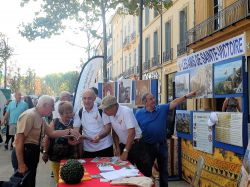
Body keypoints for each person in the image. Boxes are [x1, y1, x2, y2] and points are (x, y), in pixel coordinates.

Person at [11, 95, 81, 187]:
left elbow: (51, 133)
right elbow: (19, 140)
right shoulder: (29, 115)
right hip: (24, 153)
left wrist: (69, 131)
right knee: (23, 183)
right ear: (45, 105)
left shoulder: (40, 117)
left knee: (30, 181)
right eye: (52, 106)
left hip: (32, 152)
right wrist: (21, 163)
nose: (52, 109)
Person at [135, 91, 196, 187]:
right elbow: (135, 129)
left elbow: (175, 102)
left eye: (153, 98)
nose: (153, 100)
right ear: (145, 102)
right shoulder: (138, 114)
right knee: (146, 170)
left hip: (162, 145)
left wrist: (186, 96)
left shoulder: (161, 109)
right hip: (147, 146)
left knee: (163, 171)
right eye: (151, 99)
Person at [100, 95, 143, 166]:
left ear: (114, 106)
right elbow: (114, 131)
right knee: (124, 168)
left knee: (142, 171)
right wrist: (117, 148)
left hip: (136, 144)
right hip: (124, 144)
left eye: (106, 109)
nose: (104, 111)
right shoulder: (108, 114)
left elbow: (132, 133)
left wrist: (126, 151)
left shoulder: (126, 111)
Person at [42, 101, 79, 183]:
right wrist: (45, 152)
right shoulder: (55, 122)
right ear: (60, 113)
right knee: (58, 181)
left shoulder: (75, 123)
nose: (69, 115)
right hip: (56, 157)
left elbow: (78, 138)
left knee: (70, 180)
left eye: (70, 112)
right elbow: (47, 137)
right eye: (66, 113)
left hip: (71, 158)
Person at [73, 89, 113, 158]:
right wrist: (77, 136)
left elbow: (108, 127)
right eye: (84, 98)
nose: (86, 101)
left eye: (89, 98)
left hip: (105, 146)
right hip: (88, 149)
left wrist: (99, 137)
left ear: (94, 98)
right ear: (82, 99)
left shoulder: (101, 110)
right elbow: (76, 129)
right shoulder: (79, 112)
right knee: (90, 169)